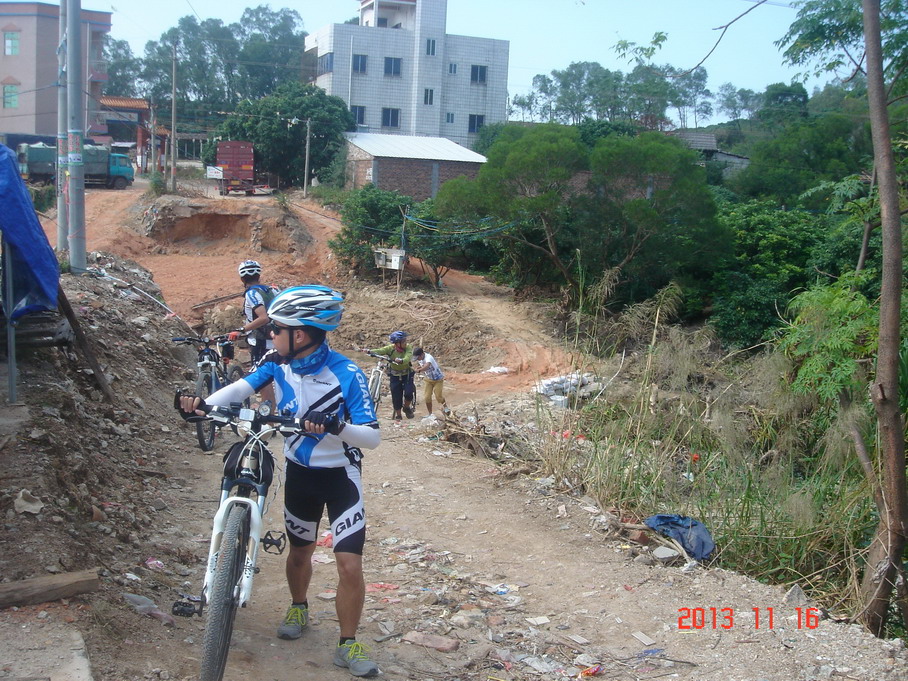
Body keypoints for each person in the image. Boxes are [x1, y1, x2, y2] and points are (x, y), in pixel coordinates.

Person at [178, 285, 381, 678]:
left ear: (299, 334)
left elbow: (372, 437)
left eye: (276, 328)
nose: (269, 334)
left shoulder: (347, 373)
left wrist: (336, 425)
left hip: (341, 478)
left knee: (349, 564)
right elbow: (241, 388)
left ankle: (347, 642)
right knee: (300, 553)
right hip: (300, 475)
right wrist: (204, 405)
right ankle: (299, 607)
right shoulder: (276, 362)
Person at [366, 331, 415, 421]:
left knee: (408, 393)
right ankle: (398, 415)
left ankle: (406, 407)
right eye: (403, 341)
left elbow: (408, 357)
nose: (405, 343)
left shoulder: (408, 347)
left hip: (407, 374)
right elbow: (381, 351)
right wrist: (369, 351)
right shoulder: (390, 348)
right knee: (396, 396)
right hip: (394, 375)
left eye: (405, 341)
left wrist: (401, 360)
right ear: (397, 343)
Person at [412, 347, 448, 416]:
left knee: (438, 396)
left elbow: (426, 366)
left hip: (438, 379)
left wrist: (419, 370)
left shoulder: (429, 357)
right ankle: (430, 413)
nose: (418, 359)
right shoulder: (420, 359)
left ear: (422, 354)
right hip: (428, 379)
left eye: (418, 357)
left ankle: (446, 408)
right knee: (427, 397)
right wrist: (419, 368)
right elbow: (423, 366)